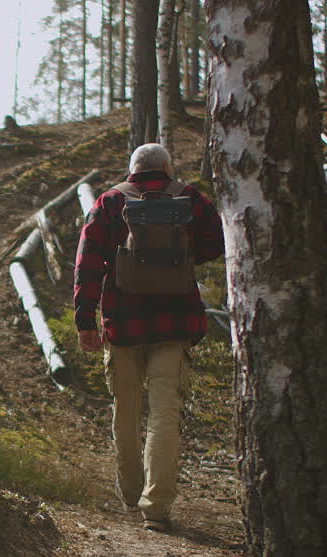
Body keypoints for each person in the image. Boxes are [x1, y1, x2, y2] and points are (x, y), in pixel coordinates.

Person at [73, 143, 224, 531]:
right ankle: (155, 508)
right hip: (175, 324)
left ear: (131, 170)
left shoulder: (108, 202)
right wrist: (179, 257)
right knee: (164, 413)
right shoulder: (190, 199)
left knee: (125, 410)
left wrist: (85, 320)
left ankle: (129, 493)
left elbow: (88, 262)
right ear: (168, 168)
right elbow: (217, 243)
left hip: (123, 324)